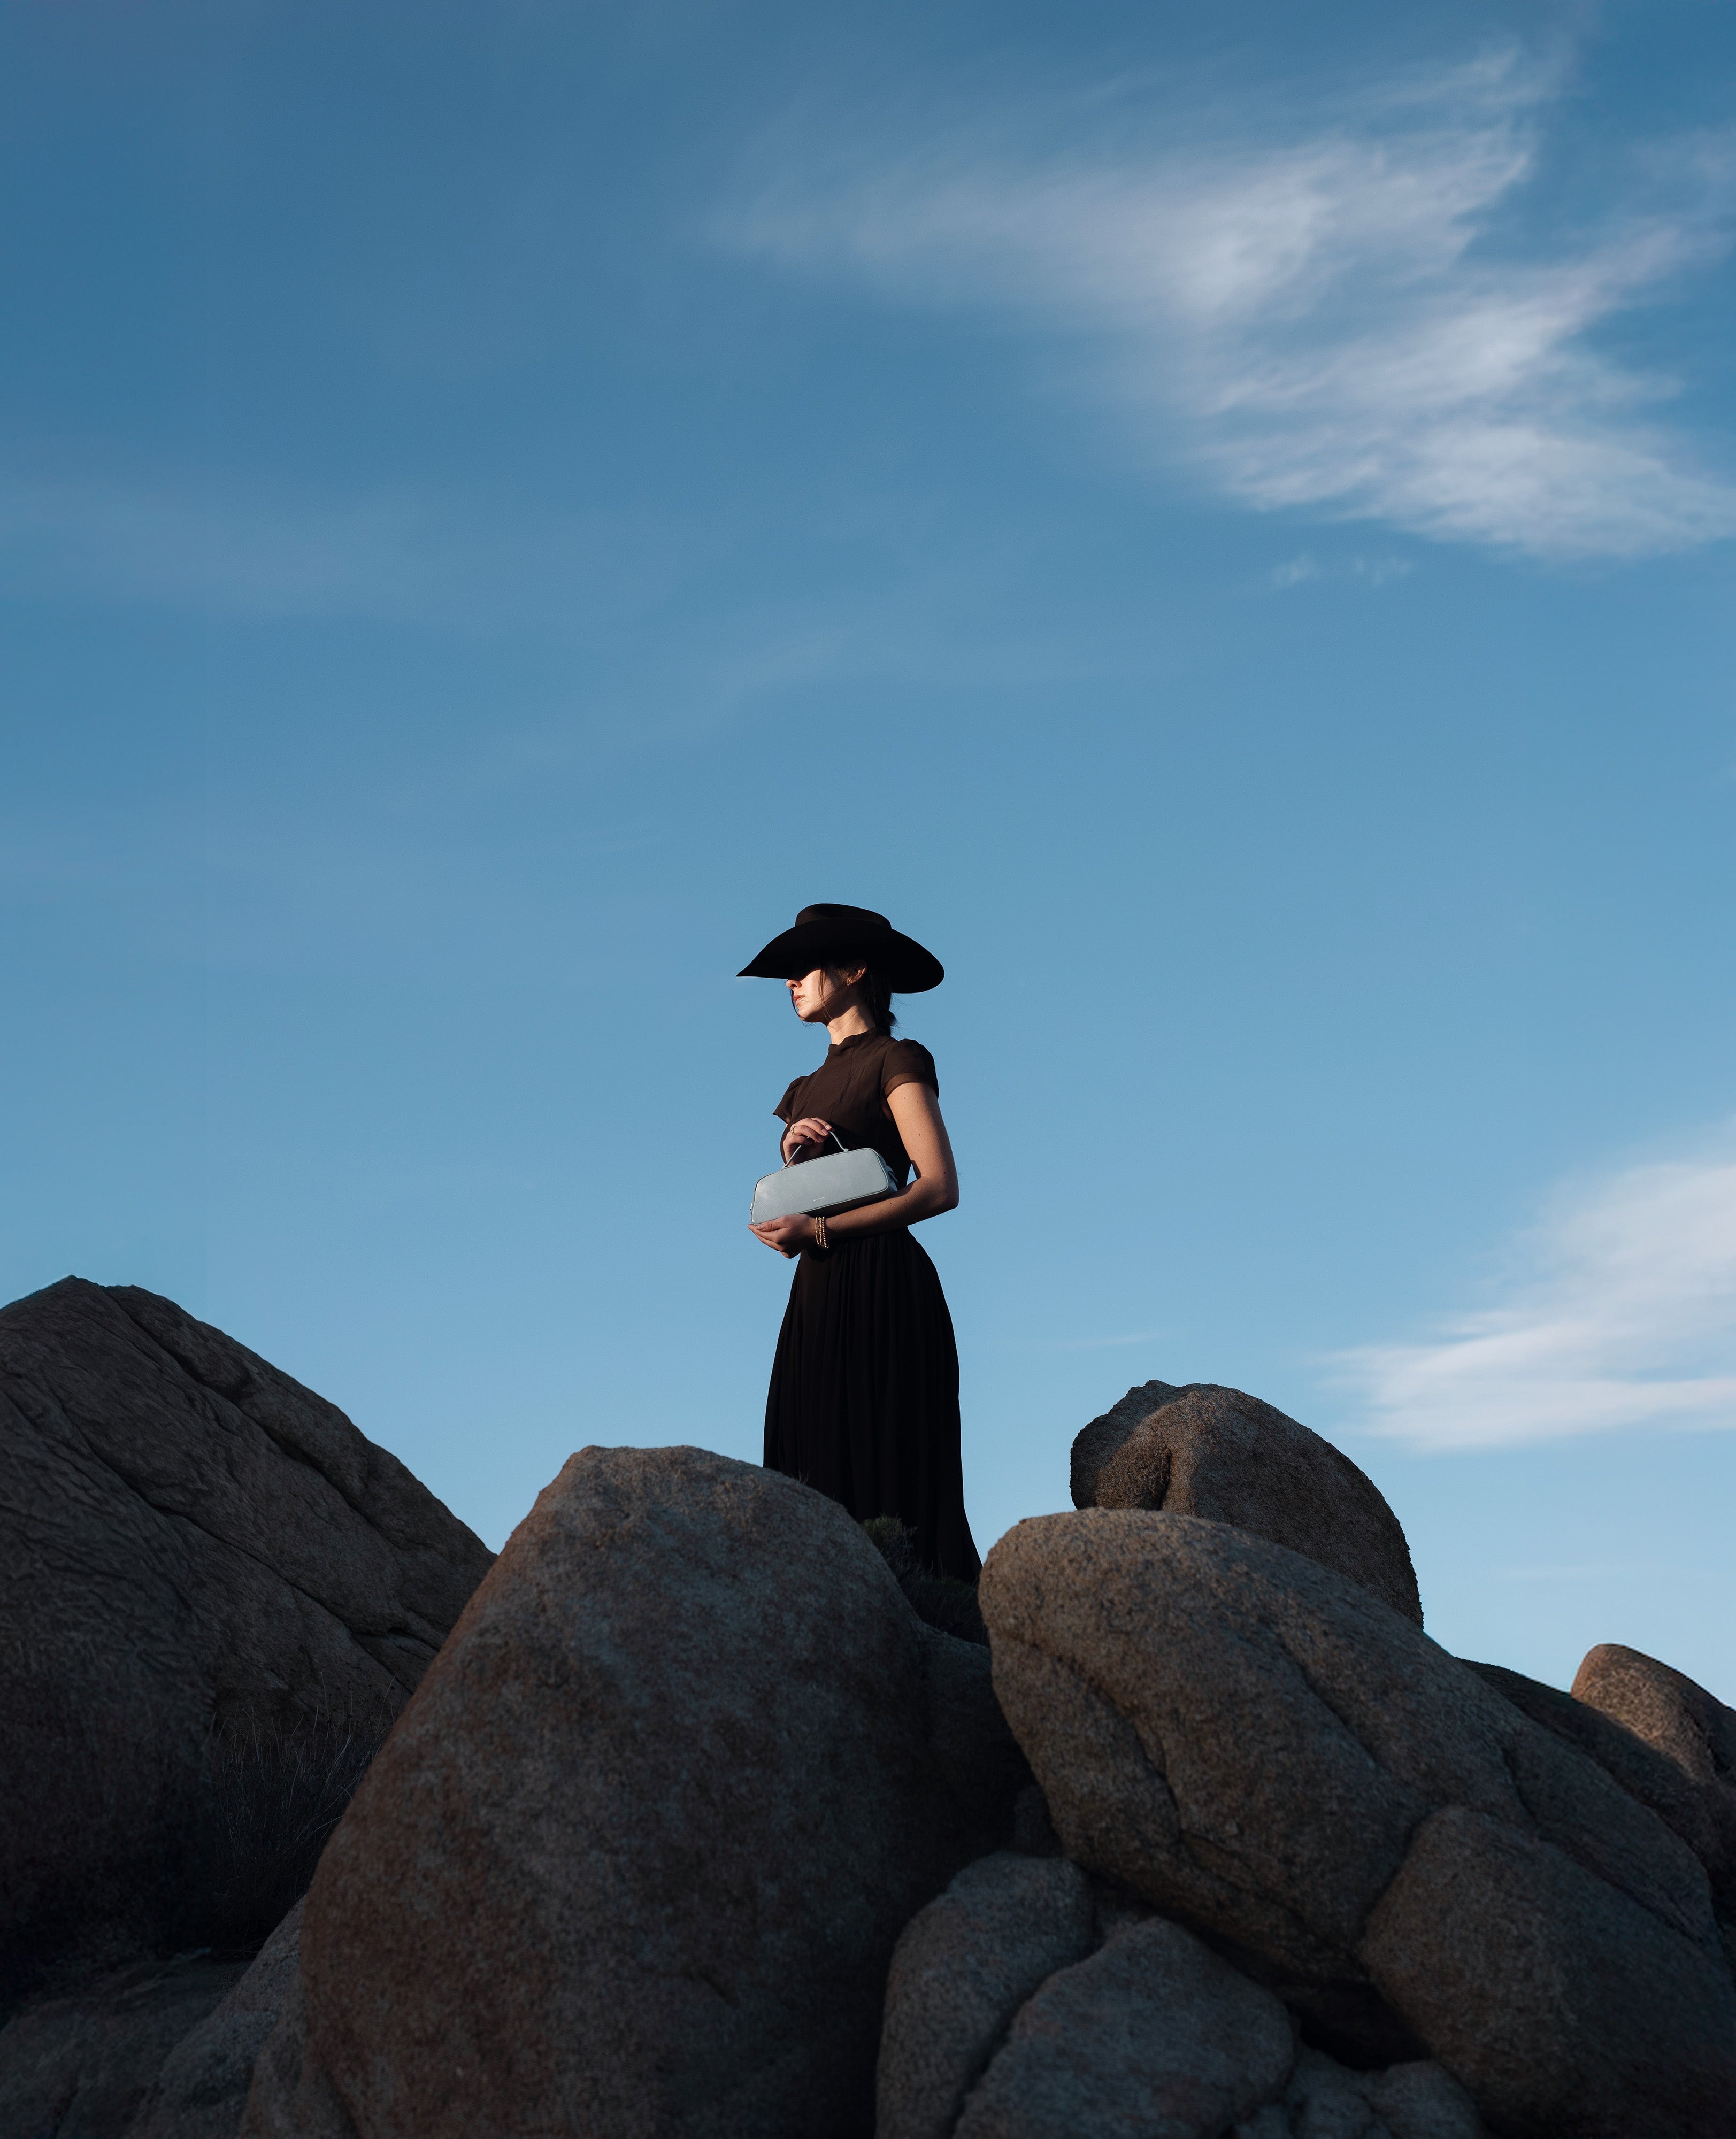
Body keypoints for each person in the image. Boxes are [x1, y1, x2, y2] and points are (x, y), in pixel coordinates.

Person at [740, 903, 979, 1580]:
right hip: (817, 1292)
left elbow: (938, 1186)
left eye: (803, 967)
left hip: (883, 1286)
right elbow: (787, 1208)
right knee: (811, 1465)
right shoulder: (802, 1089)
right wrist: (791, 1160)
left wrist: (817, 1229)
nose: (791, 982)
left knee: (887, 1465)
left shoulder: (897, 1059)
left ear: (854, 970)